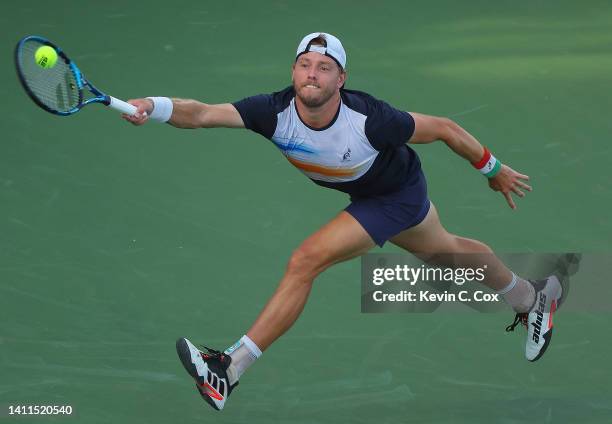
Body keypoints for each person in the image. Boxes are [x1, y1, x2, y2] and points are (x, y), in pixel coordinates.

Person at [122, 32, 562, 411]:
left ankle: (229, 369)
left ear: (341, 79)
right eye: (304, 64)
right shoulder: (271, 112)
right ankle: (531, 297)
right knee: (445, 251)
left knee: (306, 260)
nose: (312, 73)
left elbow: (445, 127)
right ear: (294, 72)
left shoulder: (370, 120)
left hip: (396, 195)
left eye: (325, 67)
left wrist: (493, 169)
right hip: (373, 193)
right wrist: (151, 105)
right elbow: (199, 112)